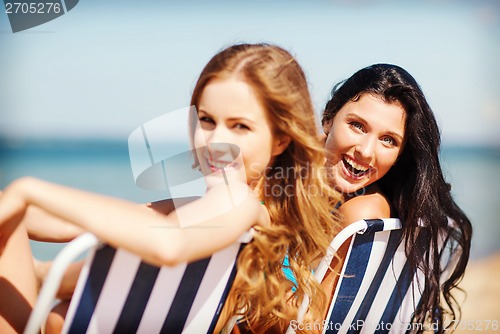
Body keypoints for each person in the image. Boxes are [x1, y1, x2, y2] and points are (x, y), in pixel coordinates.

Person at [0, 43, 342, 333]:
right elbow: (69, 224)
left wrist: (28, 190)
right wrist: (15, 206)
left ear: (280, 139)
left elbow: (168, 243)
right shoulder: (227, 207)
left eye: (240, 127)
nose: (216, 142)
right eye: (206, 120)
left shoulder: (239, 201)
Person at [320, 63, 472, 332]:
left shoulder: (363, 212)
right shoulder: (291, 180)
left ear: (401, 154)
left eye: (388, 140)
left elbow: (313, 323)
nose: (366, 152)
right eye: (357, 125)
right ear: (328, 117)